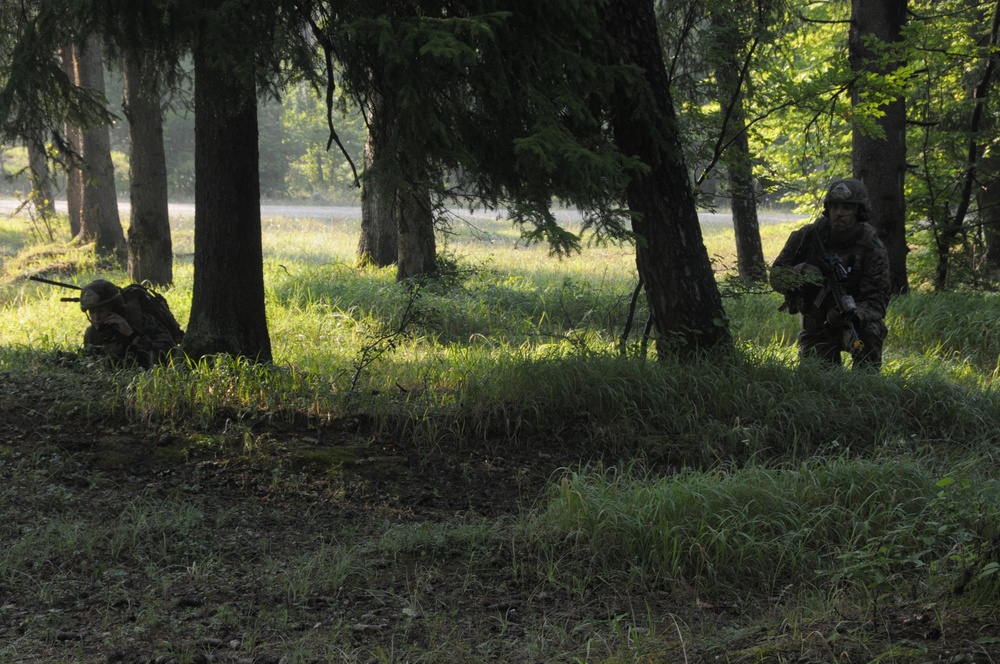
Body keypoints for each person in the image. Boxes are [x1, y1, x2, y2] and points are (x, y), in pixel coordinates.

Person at [770, 178, 891, 371]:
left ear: (859, 211)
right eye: (834, 206)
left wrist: (851, 314)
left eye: (847, 207)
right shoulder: (808, 236)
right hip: (815, 326)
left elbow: (877, 301)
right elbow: (776, 276)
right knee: (817, 385)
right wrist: (800, 271)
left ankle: (865, 390)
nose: (839, 213)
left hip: (851, 326)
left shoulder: (871, 247)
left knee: (870, 332)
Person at [79, 279, 181, 367]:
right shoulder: (92, 332)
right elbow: (90, 363)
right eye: (92, 312)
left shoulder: (141, 321)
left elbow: (167, 357)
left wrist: (132, 335)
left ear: (114, 308)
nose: (96, 318)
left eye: (101, 311)